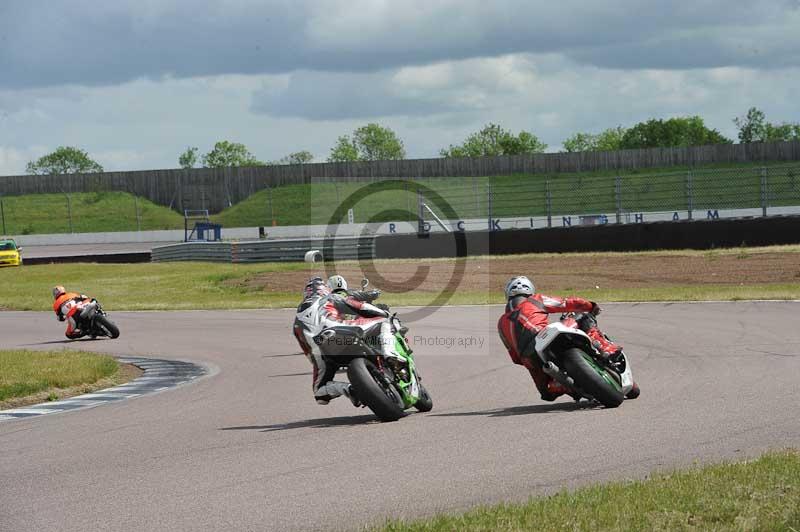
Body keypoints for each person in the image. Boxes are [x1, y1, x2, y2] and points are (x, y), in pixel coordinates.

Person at [496, 276, 624, 402]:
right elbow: (566, 303)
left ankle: (561, 385)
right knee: (584, 317)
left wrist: (529, 362)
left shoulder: (501, 323)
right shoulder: (535, 300)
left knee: (546, 394)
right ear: (530, 290)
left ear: (507, 295)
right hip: (545, 335)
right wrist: (591, 306)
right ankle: (605, 348)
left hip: (529, 358)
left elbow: (514, 356)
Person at [293, 276, 394, 405]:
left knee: (319, 393)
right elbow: (359, 306)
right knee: (384, 321)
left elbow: (306, 347)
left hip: (320, 348)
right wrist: (382, 312)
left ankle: (348, 389)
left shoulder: (298, 319)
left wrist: (318, 361)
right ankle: (389, 354)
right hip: (340, 331)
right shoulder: (328, 298)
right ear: (324, 289)